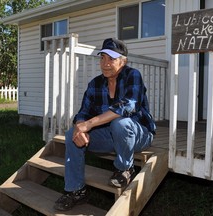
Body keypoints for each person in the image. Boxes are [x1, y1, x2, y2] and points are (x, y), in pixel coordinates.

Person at [54, 38, 156, 211]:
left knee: (120, 122)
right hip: (110, 136)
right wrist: (80, 127)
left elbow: (129, 104)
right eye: (102, 58)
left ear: (123, 61)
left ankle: (125, 168)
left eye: (111, 59)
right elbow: (84, 112)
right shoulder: (95, 83)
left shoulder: (133, 75)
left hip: (139, 134)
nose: (105, 63)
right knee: (73, 134)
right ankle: (76, 191)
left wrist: (90, 124)